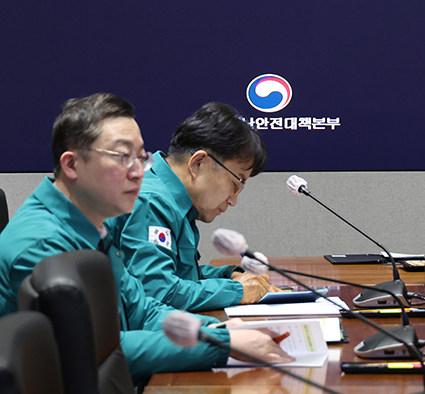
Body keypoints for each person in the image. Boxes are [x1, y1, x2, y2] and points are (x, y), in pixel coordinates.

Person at [0, 93, 293, 384]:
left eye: (141, 158)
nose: (139, 173)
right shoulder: (42, 245)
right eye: (122, 157)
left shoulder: (93, 226)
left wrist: (220, 330)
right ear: (72, 165)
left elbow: (142, 309)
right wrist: (221, 343)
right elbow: (93, 354)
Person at [106, 102, 279, 312]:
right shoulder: (151, 201)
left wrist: (229, 275)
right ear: (197, 163)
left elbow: (178, 276)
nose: (233, 200)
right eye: (235, 184)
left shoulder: (174, 202)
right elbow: (158, 292)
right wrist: (237, 290)